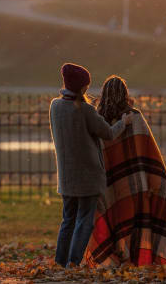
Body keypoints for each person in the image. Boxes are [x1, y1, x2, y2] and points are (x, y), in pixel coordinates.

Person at [84, 75, 166, 267]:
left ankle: (116, 261)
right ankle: (136, 260)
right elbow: (148, 152)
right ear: (125, 94)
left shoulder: (99, 120)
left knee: (115, 218)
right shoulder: (134, 117)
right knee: (137, 221)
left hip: (109, 183)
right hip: (137, 183)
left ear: (103, 95)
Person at [49, 64, 133, 268]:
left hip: (67, 176)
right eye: (86, 85)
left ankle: (60, 261)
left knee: (68, 220)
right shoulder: (85, 110)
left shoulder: (55, 106)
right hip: (88, 176)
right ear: (81, 87)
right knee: (85, 220)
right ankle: (74, 261)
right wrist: (125, 122)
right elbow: (109, 133)